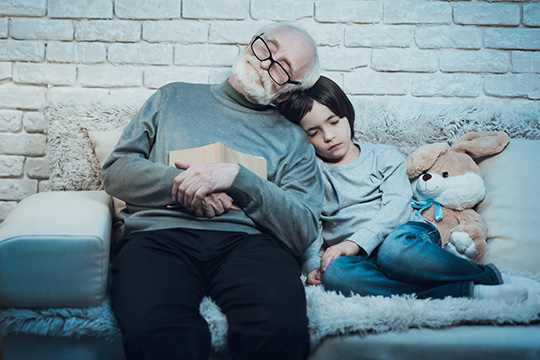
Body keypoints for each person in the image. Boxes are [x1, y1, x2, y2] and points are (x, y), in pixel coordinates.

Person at [101, 23, 324, 360]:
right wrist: (185, 186)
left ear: (288, 92)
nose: (265, 62)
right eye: (267, 48)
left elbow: (302, 230)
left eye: (282, 68)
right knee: (155, 331)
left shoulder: (293, 140)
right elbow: (116, 172)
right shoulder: (172, 97)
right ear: (250, 43)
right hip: (159, 239)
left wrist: (239, 178)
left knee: (280, 330)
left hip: (251, 247)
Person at [278, 76, 540, 303]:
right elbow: (307, 224)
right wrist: (313, 265)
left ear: (347, 114)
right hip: (361, 258)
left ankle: (492, 278)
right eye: (313, 132)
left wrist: (356, 242)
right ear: (302, 138)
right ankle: (468, 293)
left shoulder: (383, 156)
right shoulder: (310, 173)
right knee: (337, 275)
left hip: (404, 236)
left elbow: (397, 206)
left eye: (333, 122)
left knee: (393, 253)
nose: (329, 136)